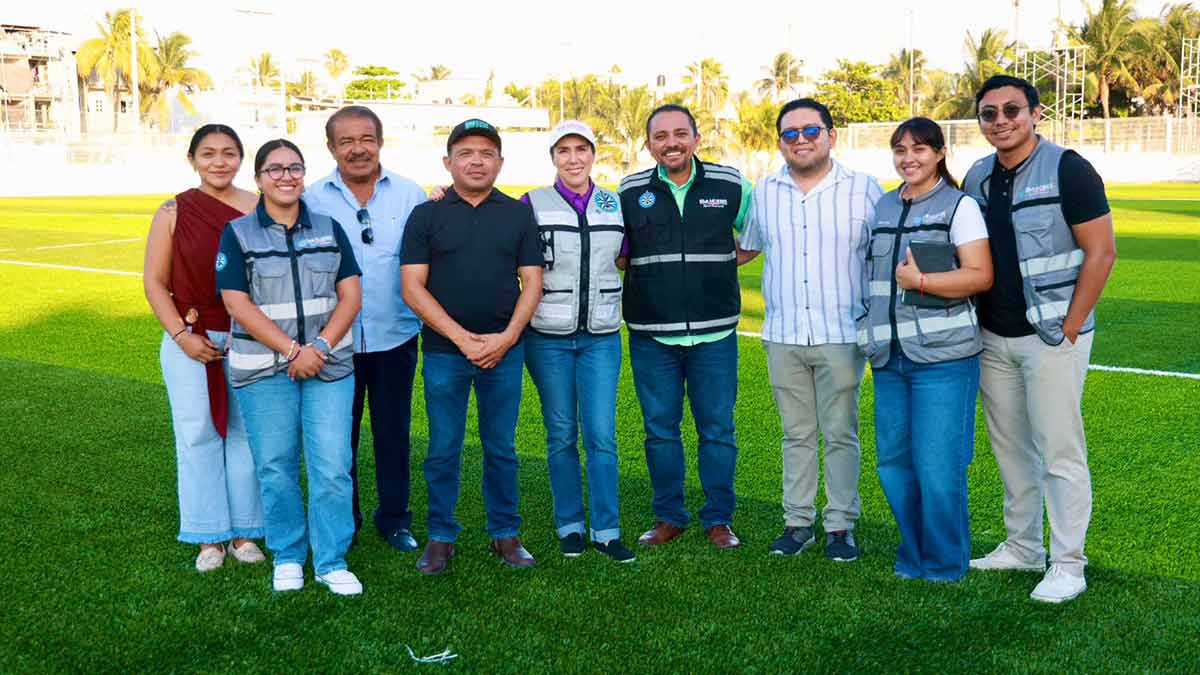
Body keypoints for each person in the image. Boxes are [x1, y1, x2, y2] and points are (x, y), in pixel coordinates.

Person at [962, 75, 1116, 603]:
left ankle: (1068, 562)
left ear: (1035, 113)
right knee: (1009, 449)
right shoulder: (978, 176)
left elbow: (1102, 253)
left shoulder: (1068, 169)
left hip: (1051, 335)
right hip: (992, 335)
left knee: (1059, 450)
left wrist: (1071, 327)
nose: (1000, 120)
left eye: (1011, 110)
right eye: (989, 113)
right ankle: (1023, 546)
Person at [736, 98, 883, 561]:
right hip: (782, 333)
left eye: (811, 131)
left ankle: (840, 525)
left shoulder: (864, 190)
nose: (801, 140)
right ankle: (797, 523)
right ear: (780, 143)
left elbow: (884, 251)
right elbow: (746, 247)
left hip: (841, 333)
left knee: (841, 432)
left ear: (831, 136)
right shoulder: (764, 191)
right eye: (790, 134)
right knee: (795, 433)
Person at [216, 139, 365, 596]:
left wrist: (318, 346)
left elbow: (351, 294)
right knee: (276, 465)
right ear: (259, 178)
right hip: (264, 369)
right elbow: (236, 301)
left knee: (333, 466)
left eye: (294, 168)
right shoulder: (238, 234)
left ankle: (331, 559)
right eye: (275, 169)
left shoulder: (328, 226)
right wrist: (291, 351)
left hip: (329, 365)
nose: (286, 176)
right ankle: (287, 553)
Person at [400, 119, 543, 574]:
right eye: (465, 153)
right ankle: (441, 536)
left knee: (501, 447)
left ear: (500, 162)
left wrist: (506, 338)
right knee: (443, 447)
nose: (476, 161)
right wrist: (461, 339)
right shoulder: (427, 214)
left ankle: (505, 533)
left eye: (486, 153)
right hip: (446, 353)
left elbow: (533, 283)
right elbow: (412, 287)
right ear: (448, 162)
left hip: (504, 352)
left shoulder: (517, 213)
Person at [858, 117, 993, 582]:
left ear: (939, 153)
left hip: (944, 359)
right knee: (894, 464)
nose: (908, 158)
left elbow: (980, 275)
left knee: (938, 466)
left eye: (919, 149)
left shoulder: (959, 206)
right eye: (900, 150)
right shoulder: (881, 206)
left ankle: (944, 563)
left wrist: (922, 282)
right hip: (889, 359)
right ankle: (912, 555)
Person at [618, 104, 752, 551]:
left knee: (717, 429)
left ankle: (718, 519)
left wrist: (711, 269)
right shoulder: (630, 190)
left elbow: (752, 238)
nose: (670, 142)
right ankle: (669, 516)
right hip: (652, 334)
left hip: (715, 333)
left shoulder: (729, 183)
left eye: (680, 133)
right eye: (660, 136)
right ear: (649, 144)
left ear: (696, 138)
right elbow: (619, 252)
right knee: (660, 430)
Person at [143, 124, 265, 572]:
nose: (219, 162)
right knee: (196, 435)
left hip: (250, 336)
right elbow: (155, 282)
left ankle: (245, 532)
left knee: (246, 434)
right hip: (190, 337)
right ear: (192, 158)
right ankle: (207, 535)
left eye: (229, 153)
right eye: (209, 153)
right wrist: (182, 337)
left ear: (240, 159)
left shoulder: (260, 208)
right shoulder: (174, 210)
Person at [305, 106, 427, 553]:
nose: (358, 149)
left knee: (393, 433)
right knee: (339, 437)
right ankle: (345, 519)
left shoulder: (411, 195)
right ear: (331, 148)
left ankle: (395, 520)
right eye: (346, 141)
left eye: (366, 139)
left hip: (395, 336)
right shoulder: (311, 199)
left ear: (380, 141)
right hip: (333, 342)